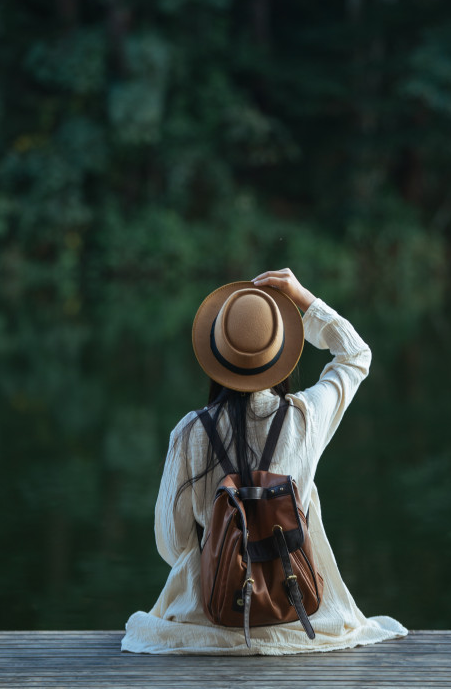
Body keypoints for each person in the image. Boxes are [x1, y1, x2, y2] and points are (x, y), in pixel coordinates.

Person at [122, 268, 407, 655]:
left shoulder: (189, 432)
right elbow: (356, 355)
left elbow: (172, 544)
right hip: (296, 616)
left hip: (207, 619)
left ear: (216, 354)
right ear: (280, 355)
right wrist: (304, 298)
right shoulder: (304, 418)